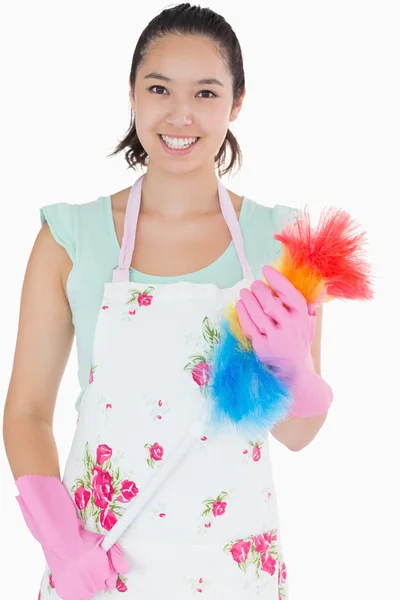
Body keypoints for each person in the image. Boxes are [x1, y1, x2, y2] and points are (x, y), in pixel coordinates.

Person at [3, 3, 332, 599]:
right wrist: (59, 540)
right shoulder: (69, 238)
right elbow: (26, 410)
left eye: (206, 93)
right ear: (131, 93)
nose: (181, 114)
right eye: (159, 88)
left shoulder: (282, 242)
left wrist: (294, 367)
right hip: (101, 562)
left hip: (236, 566)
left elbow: (300, 433)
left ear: (236, 104)